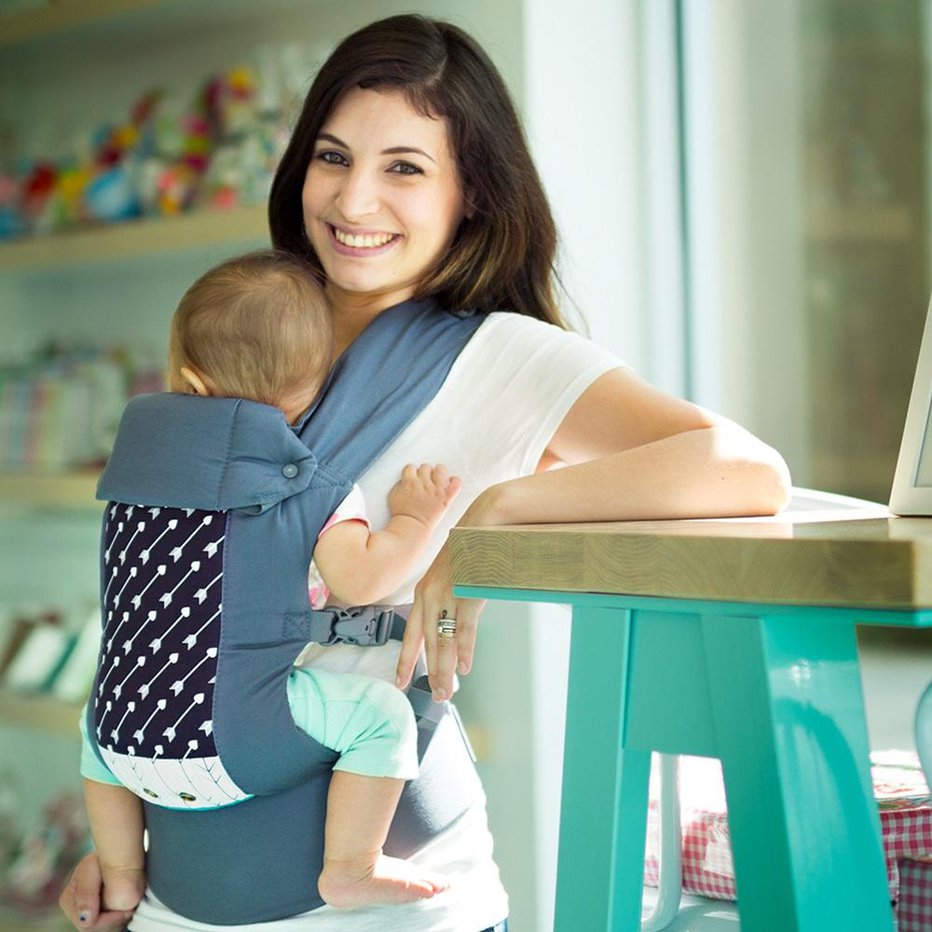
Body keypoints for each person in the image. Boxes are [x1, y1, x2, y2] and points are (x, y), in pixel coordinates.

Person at [61, 13, 791, 932]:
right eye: (333, 157)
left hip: (384, 894)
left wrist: (491, 517)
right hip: (184, 879)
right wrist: (119, 827)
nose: (354, 201)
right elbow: (178, 598)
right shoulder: (249, 323)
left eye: (403, 168)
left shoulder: (507, 357)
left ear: (473, 193)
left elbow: (742, 469)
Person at [80, 249, 460, 919]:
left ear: (189, 382)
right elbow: (366, 578)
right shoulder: (309, 491)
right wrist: (417, 518)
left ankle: (117, 873)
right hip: (238, 745)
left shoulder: (128, 492)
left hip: (119, 746)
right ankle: (351, 866)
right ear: (311, 394)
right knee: (382, 718)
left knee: (98, 714)